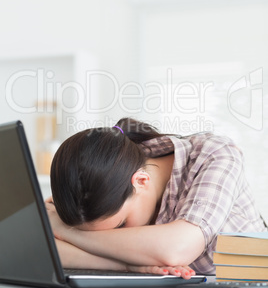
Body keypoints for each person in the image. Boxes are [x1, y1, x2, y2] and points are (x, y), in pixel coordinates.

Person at [45, 117, 267, 278]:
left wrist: (67, 233)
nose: (114, 240)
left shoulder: (215, 154)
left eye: (120, 225)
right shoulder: (94, 190)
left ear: (141, 181)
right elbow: (45, 250)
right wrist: (127, 267)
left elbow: (178, 248)